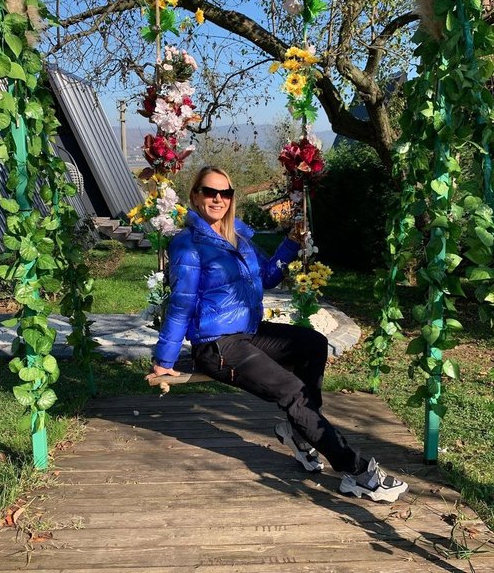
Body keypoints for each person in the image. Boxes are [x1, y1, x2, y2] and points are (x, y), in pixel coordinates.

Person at [147, 165, 408, 503]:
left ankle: (300, 432)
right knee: (292, 391)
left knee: (313, 343)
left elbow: (269, 276)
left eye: (225, 193)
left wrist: (289, 244)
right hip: (217, 345)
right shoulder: (187, 246)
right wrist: (164, 359)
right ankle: (356, 471)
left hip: (248, 331)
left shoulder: (238, 238)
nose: (218, 199)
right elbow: (181, 304)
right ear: (196, 196)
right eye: (210, 192)